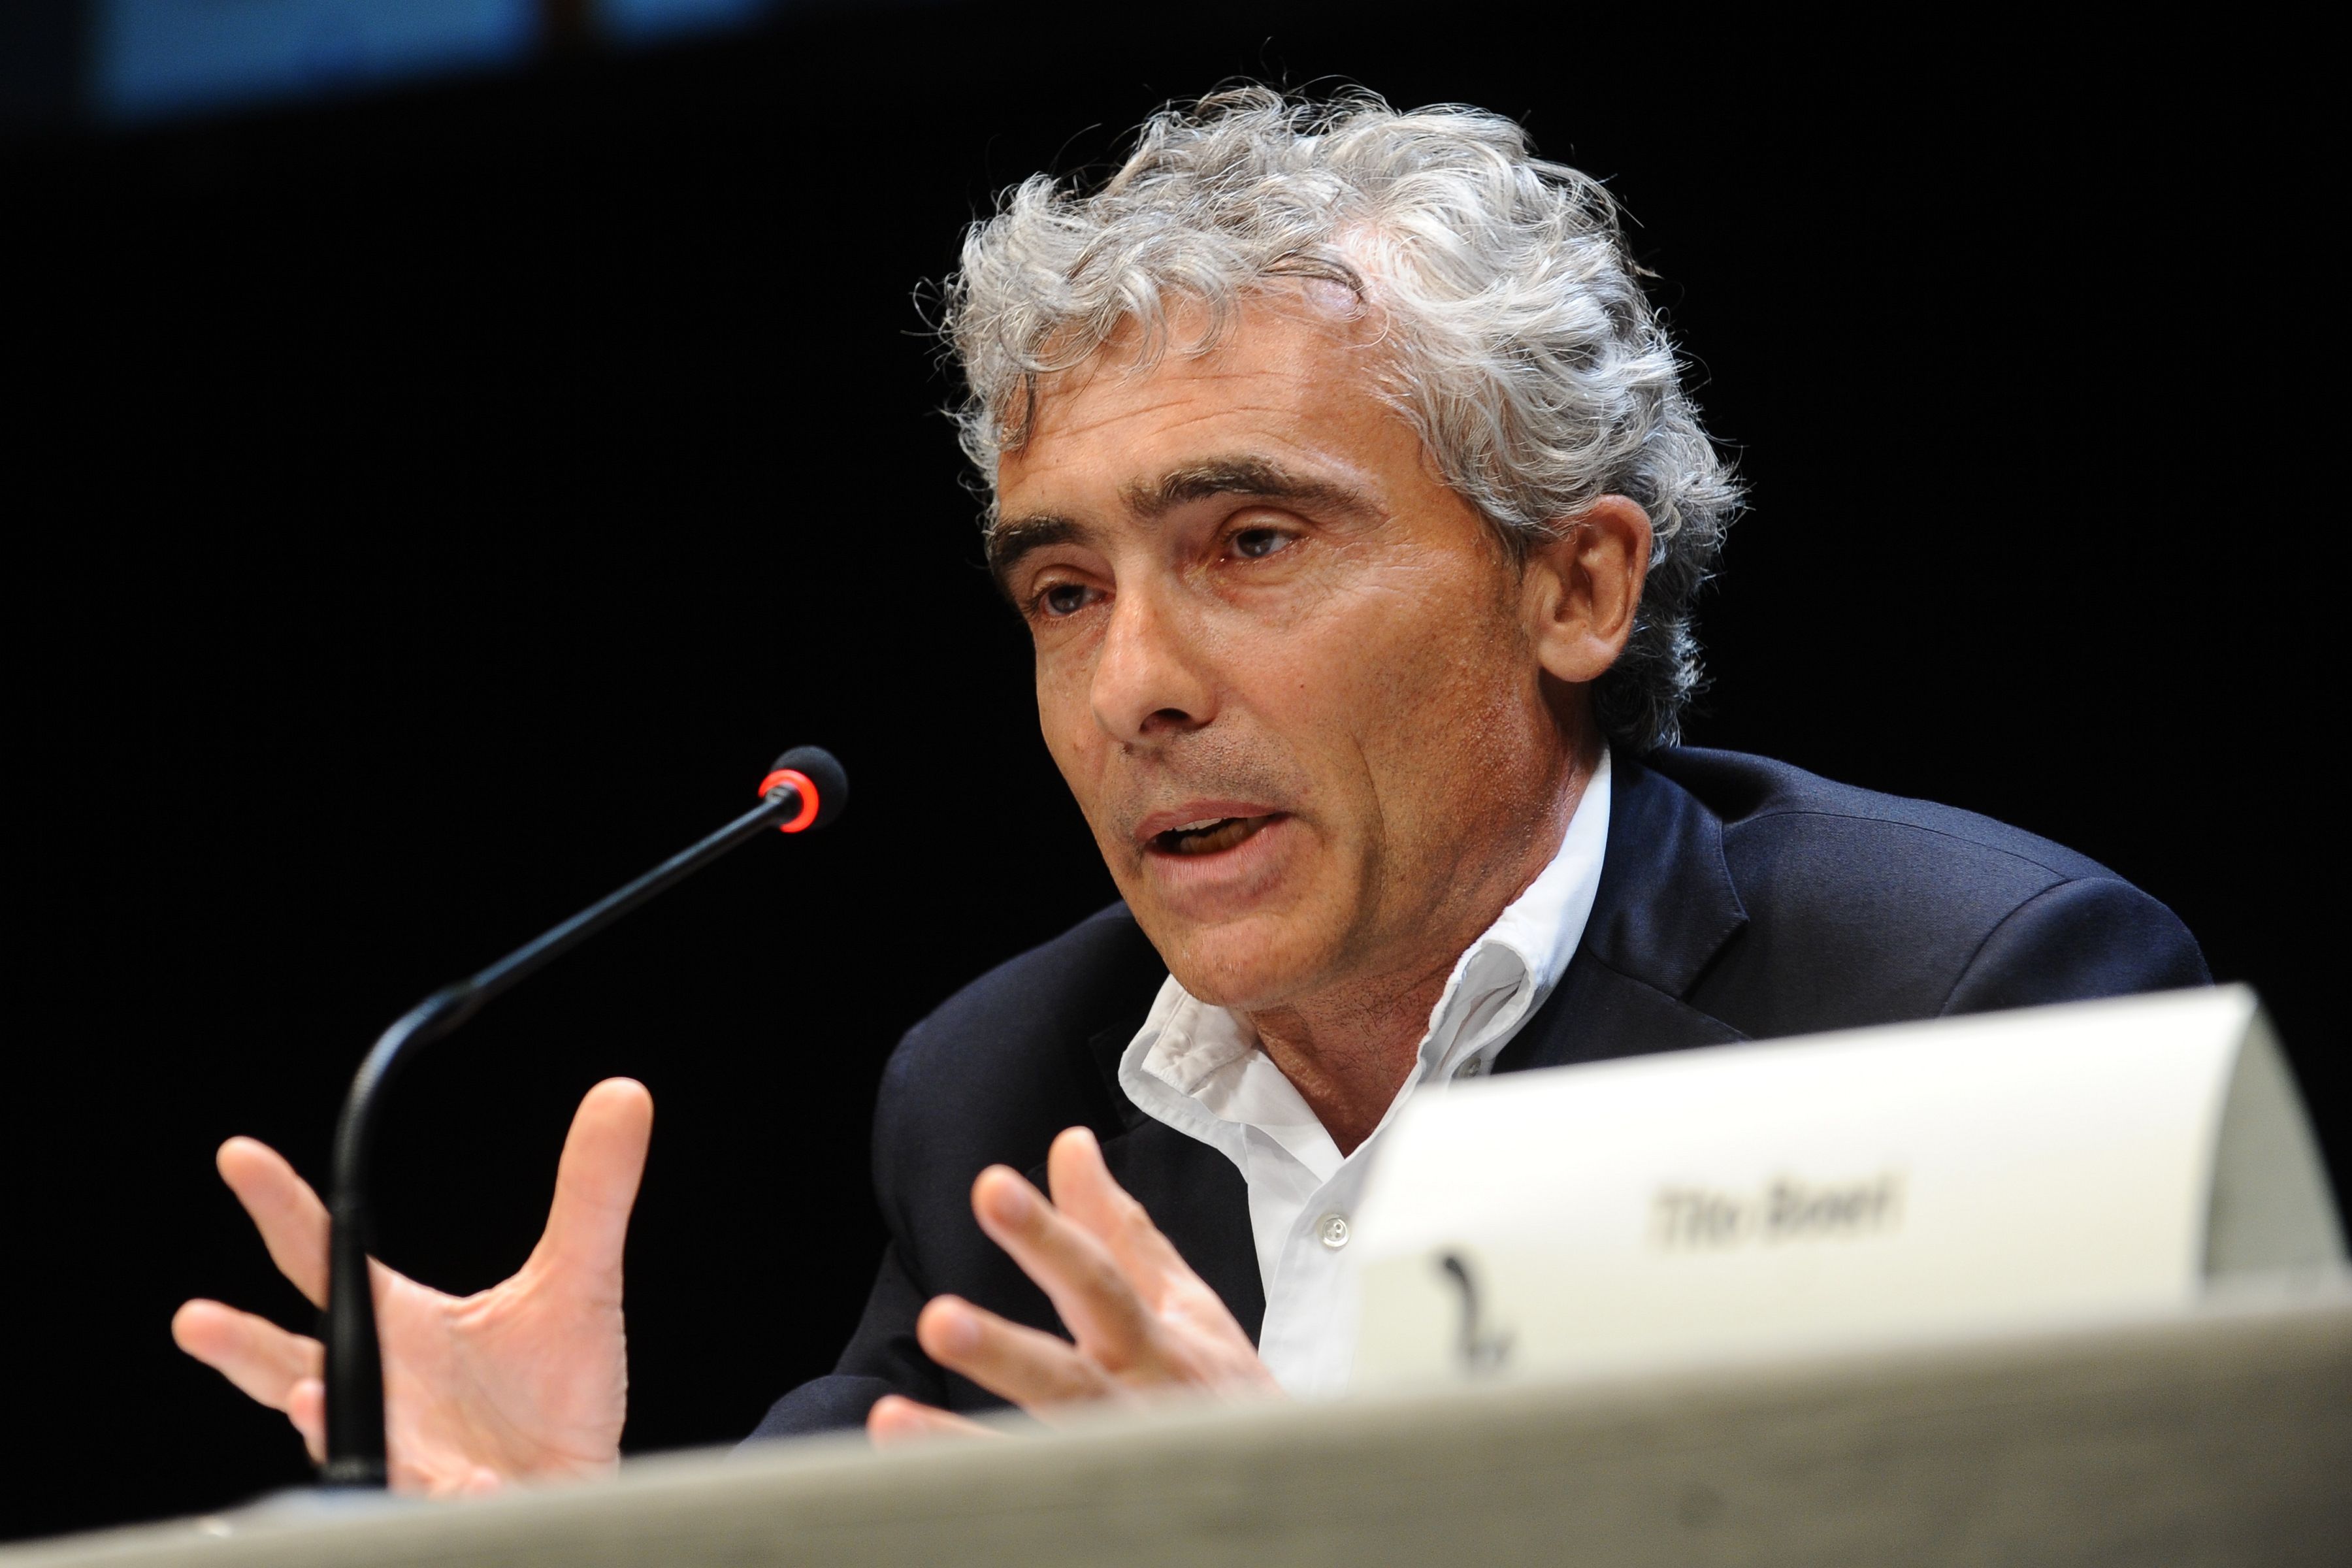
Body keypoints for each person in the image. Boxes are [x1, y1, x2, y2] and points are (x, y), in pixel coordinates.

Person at [171, 88, 2206, 1495]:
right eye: (1065, 591)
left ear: (1576, 587)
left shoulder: (1956, 1008)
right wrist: (566, 1542)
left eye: (1254, 543)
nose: (1131, 687)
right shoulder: (1004, 1101)